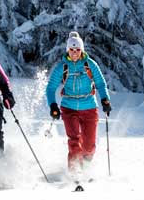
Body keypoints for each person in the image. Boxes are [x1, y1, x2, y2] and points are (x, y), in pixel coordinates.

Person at [45, 31, 111, 175]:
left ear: (81, 50)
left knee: (89, 147)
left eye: (77, 50)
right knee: (74, 142)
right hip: (69, 108)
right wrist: (53, 105)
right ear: (67, 50)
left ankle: (86, 167)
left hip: (89, 107)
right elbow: (50, 88)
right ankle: (74, 173)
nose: (74, 53)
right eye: (72, 50)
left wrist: (105, 99)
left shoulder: (89, 64)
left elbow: (100, 83)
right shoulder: (62, 67)